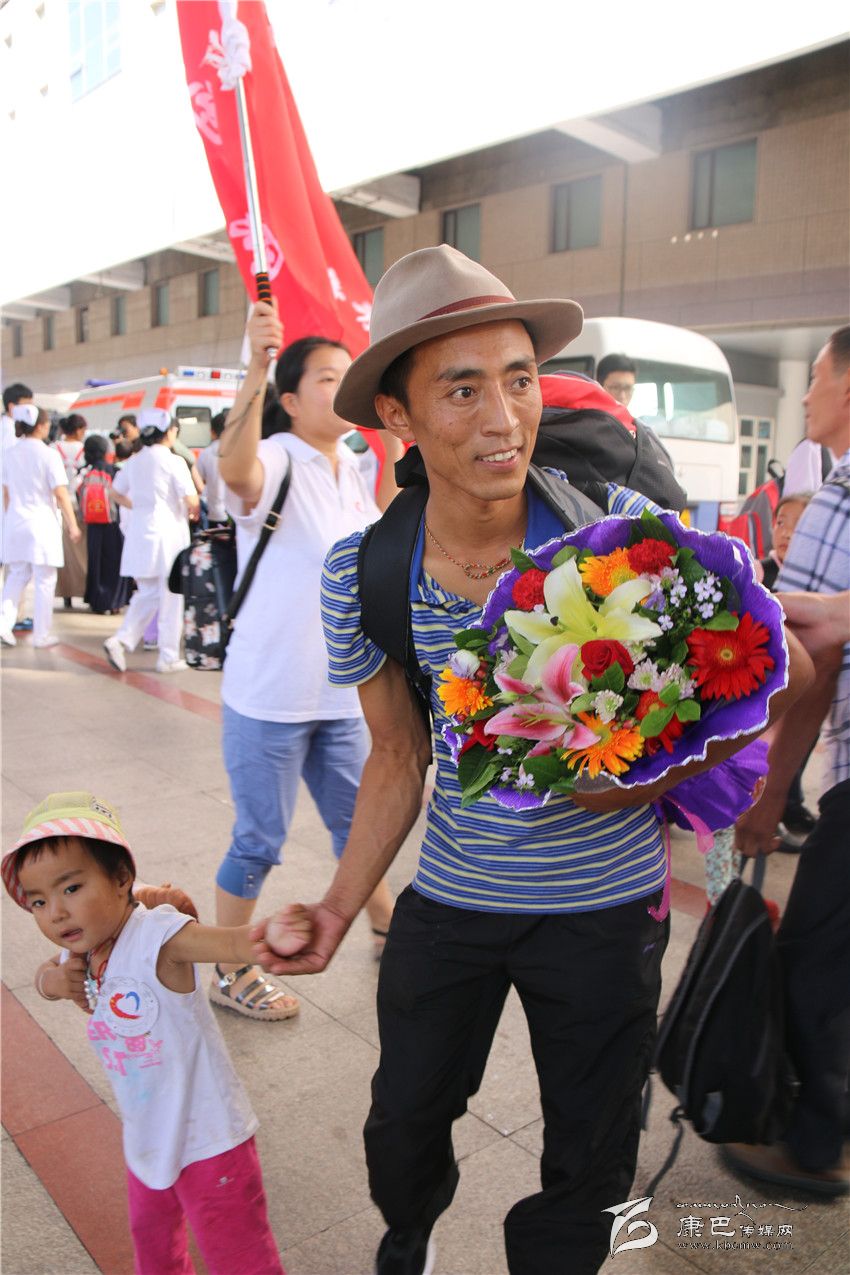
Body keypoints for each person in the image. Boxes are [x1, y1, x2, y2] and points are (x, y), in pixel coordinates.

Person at [249, 246, 811, 1275]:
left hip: (605, 916)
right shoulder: (365, 572)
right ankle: (408, 1231)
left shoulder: (625, 543)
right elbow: (396, 754)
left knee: (591, 1156)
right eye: (462, 389)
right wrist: (335, 904)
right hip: (453, 903)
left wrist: (642, 779)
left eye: (518, 379)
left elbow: (777, 679)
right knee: (402, 1121)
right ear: (399, 416)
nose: (503, 417)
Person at [2, 790, 311, 1275]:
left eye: (71, 888)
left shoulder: (158, 937)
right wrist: (52, 983)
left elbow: (226, 943)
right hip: (146, 1135)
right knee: (153, 1245)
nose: (55, 912)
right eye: (38, 901)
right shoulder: (82, 948)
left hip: (209, 1140)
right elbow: (46, 974)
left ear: (121, 877)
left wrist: (269, 935)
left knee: (238, 1256)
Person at [207, 330, 396, 1024]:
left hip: (341, 694)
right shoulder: (278, 456)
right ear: (289, 398)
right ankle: (230, 967)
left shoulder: (351, 464)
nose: (342, 385)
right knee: (258, 840)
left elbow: (389, 525)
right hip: (270, 694)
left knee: (360, 827)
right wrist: (254, 365)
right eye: (326, 377)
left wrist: (391, 430)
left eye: (348, 374)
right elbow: (235, 471)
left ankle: (388, 929)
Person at [725, 324, 850, 1198]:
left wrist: (768, 794)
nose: (805, 394)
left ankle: (815, 1144)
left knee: (815, 952)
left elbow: (812, 661)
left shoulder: (839, 499)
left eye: (816, 376)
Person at [103, 408, 199, 674]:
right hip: (168, 535)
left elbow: (115, 492)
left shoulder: (134, 461)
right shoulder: (173, 461)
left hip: (140, 532)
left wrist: (137, 506)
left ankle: (121, 640)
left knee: (148, 593)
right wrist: (191, 510)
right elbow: (191, 499)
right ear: (169, 432)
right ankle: (167, 656)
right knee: (171, 597)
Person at [0, 405, 81, 649]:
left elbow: (6, 494)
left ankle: (3, 625)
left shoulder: (9, 454)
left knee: (17, 576)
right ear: (41, 426)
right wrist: (73, 524)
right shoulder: (48, 455)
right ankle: (42, 634)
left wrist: (11, 518)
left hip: (16, 521)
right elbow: (60, 493)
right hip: (42, 523)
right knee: (45, 580)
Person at [78, 433, 132, 615]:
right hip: (114, 522)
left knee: (96, 561)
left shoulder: (84, 472)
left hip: (93, 523)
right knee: (115, 562)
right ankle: (115, 601)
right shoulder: (115, 471)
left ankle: (97, 601)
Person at [52, 414, 88, 609]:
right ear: (79, 429)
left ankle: (66, 591)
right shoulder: (85, 449)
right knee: (83, 551)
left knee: (64, 551)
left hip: (58, 505)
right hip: (81, 504)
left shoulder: (53, 449)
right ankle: (84, 589)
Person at [196, 410, 228, 526]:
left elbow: (198, 482)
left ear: (212, 432)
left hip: (213, 513)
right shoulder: (238, 452)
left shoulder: (206, 454)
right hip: (234, 515)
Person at [1, 381, 32, 453]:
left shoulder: (14, 426)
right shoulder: (8, 430)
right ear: (12, 407)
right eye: (27, 406)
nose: (30, 411)